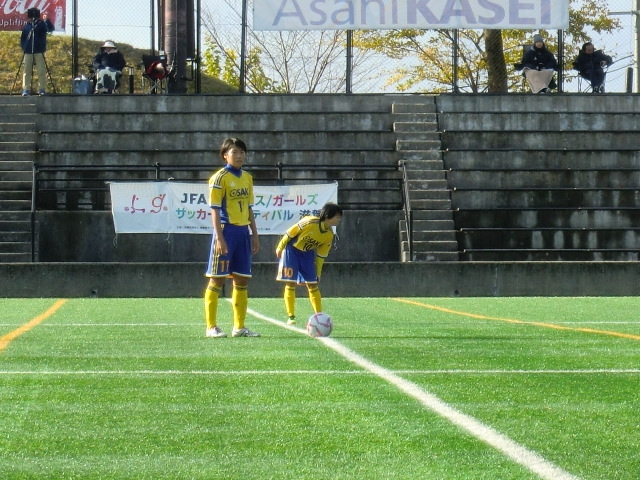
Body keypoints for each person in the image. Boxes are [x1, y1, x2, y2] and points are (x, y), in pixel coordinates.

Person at [204, 137, 261, 338]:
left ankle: (239, 327)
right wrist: (219, 238)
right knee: (217, 280)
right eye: (234, 152)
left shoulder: (247, 177)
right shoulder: (219, 178)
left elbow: (249, 208)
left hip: (242, 233)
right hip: (226, 231)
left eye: (242, 152)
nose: (239, 156)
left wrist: (254, 234)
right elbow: (215, 210)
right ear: (225, 155)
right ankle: (211, 327)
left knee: (242, 279)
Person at [275, 202, 343, 325]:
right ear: (328, 215)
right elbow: (290, 233)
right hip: (292, 251)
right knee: (290, 282)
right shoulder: (310, 222)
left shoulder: (329, 235)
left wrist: (318, 273)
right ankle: (291, 316)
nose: (339, 219)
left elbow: (321, 256)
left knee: (313, 284)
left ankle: (319, 315)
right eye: (337, 216)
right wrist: (280, 247)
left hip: (307, 255)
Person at [20, 8, 54, 96]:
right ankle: (26, 89)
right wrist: (24, 47)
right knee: (26, 71)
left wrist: (46, 20)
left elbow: (50, 29)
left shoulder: (41, 24)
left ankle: (42, 89)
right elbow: (23, 37)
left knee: (41, 71)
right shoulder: (27, 25)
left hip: (39, 51)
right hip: (28, 52)